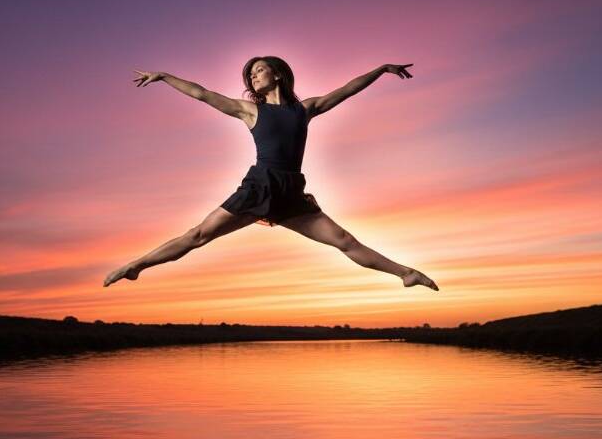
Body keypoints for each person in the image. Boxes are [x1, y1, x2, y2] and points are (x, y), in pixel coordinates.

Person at [103, 56, 439, 291]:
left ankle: (406, 274)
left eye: (259, 70)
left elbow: (347, 89)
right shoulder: (249, 110)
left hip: (291, 192)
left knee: (345, 241)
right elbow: (202, 93)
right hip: (259, 187)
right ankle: (135, 266)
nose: (253, 77)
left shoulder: (303, 109)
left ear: (277, 74)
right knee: (197, 236)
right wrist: (163, 76)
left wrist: (381, 70)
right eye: (250, 74)